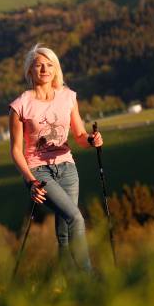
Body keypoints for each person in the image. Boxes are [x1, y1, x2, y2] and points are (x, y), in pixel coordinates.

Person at [9, 43, 103, 273]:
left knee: (64, 231)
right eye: (38, 65)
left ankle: (70, 287)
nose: (44, 69)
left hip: (67, 167)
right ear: (29, 71)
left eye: (49, 65)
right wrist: (30, 181)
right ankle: (88, 278)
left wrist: (91, 140)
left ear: (56, 68)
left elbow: (79, 135)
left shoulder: (68, 97)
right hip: (38, 171)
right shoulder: (20, 105)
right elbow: (15, 150)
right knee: (76, 218)